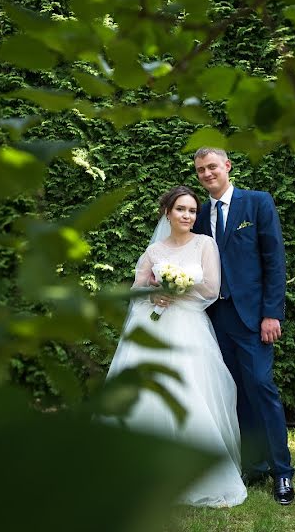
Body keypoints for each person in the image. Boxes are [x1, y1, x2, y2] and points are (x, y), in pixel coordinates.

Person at [105, 185, 248, 508]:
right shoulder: (154, 252)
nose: (187, 215)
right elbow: (136, 289)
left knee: (190, 393)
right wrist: (153, 292)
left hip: (189, 327)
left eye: (193, 211)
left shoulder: (204, 244)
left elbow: (211, 287)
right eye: (181, 209)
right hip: (152, 328)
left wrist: (179, 287)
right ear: (167, 213)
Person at [191, 147, 295, 505]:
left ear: (227, 167)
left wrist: (272, 313)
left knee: (262, 388)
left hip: (253, 318)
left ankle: (282, 473)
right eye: (201, 170)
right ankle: (255, 464)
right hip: (216, 320)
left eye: (212, 167)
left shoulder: (257, 203)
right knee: (234, 395)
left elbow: (274, 260)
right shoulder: (200, 215)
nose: (207, 174)